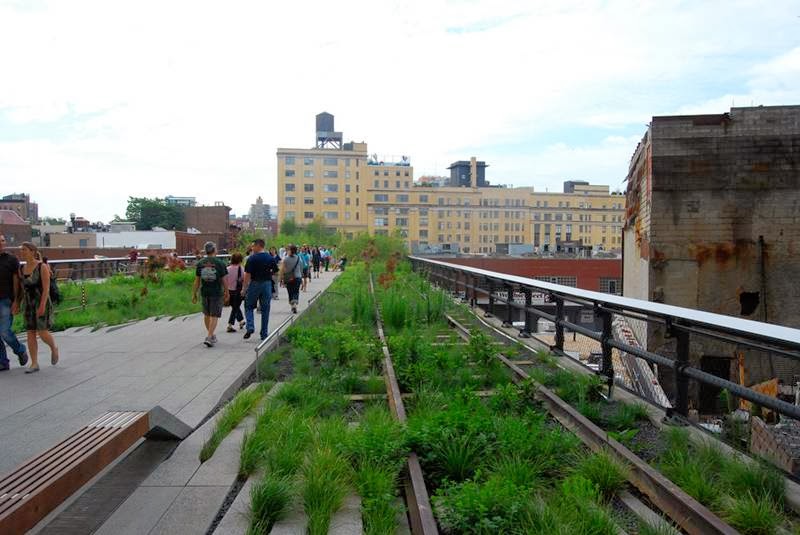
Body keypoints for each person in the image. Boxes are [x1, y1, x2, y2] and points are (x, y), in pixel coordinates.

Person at [18, 242, 58, 373]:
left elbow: (46, 288)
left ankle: (53, 347)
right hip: (28, 304)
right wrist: (18, 303)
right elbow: (21, 289)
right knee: (30, 332)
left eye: (24, 250)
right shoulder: (21, 268)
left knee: (42, 332)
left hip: (41, 302)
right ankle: (34, 363)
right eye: (21, 250)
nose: (22, 252)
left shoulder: (42, 267)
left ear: (32, 251)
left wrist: (41, 306)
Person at [192, 241, 229, 347]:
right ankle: (209, 336)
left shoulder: (200, 263)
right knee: (214, 315)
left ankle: (211, 335)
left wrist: (194, 293)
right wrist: (227, 292)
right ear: (214, 250)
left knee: (207, 314)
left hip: (204, 292)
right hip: (216, 292)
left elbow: (197, 281)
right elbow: (224, 280)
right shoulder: (220, 263)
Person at [0, 235, 28, 371]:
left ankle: (20, 350)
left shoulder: (11, 260)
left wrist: (17, 301)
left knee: (4, 331)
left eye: (3, 240)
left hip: (5, 300)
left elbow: (17, 281)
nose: (1, 243)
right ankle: (3, 362)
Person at [242, 239, 278, 340]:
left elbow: (247, 275)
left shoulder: (251, 259)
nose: (252, 248)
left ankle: (250, 326)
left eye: (253, 246)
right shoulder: (270, 258)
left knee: (248, 306)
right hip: (267, 284)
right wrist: (268, 273)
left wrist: (244, 289)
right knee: (265, 309)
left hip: (255, 284)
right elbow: (275, 271)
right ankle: (264, 334)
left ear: (259, 246)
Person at [279, 244, 303, 314]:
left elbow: (282, 269)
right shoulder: (298, 258)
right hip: (298, 277)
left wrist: (281, 278)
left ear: (290, 250)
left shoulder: (285, 259)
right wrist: (301, 276)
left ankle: (292, 304)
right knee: (296, 291)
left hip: (289, 278)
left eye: (288, 249)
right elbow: (301, 267)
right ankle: (295, 303)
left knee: (290, 292)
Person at [225, 253, 246, 333]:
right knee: (235, 307)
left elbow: (225, 281)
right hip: (238, 291)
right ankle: (230, 325)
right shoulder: (241, 269)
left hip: (229, 291)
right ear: (240, 260)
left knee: (235, 307)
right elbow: (245, 280)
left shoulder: (227, 269)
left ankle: (241, 321)